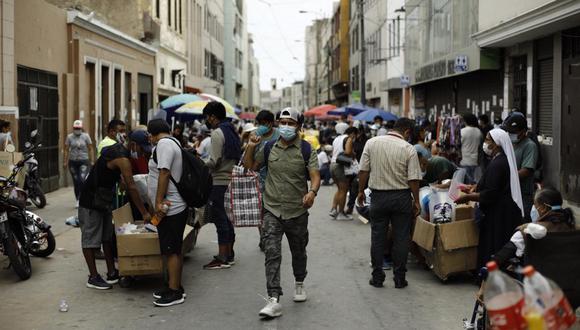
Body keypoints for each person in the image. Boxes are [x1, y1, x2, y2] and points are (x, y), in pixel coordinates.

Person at [245, 107, 320, 319]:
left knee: (298, 251)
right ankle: (273, 298)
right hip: (272, 209)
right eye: (283, 122)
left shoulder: (306, 149)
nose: (286, 126)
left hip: (297, 210)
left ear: (298, 126)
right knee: (272, 252)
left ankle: (299, 282)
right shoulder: (269, 147)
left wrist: (312, 192)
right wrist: (250, 146)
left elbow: (315, 176)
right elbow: (251, 166)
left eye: (291, 123)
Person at [357, 118, 422, 289]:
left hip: (378, 197)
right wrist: (416, 200)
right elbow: (413, 179)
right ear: (407, 132)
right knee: (401, 238)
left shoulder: (371, 143)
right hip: (401, 197)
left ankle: (377, 277)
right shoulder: (408, 148)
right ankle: (400, 278)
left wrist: (360, 191)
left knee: (378, 237)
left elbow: (363, 170)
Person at [78, 142, 151, 290]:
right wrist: (144, 212)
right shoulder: (122, 158)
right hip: (91, 200)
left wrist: (121, 180)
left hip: (103, 199)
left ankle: (112, 272)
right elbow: (131, 186)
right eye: (141, 150)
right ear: (134, 145)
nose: (142, 154)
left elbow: (118, 178)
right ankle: (93, 277)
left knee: (107, 237)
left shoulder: (120, 153)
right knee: (90, 239)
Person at [455, 128, 524, 268]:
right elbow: (490, 185)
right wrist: (474, 187)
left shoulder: (498, 164)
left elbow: (491, 193)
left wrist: (468, 197)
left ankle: (489, 277)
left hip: (498, 212)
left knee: (494, 244)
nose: (485, 143)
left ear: (496, 144)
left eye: (487, 140)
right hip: (500, 209)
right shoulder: (498, 161)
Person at [146, 119, 188, 307]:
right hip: (172, 206)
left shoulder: (163, 144)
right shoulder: (172, 142)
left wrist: (158, 201)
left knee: (171, 251)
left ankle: (175, 292)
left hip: (171, 207)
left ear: (153, 133)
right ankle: (173, 285)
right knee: (172, 249)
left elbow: (164, 173)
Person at [492, 187, 576, 267]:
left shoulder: (526, 232)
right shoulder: (572, 228)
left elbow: (500, 258)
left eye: (535, 205)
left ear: (543, 208)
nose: (533, 208)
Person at [203, 101, 241, 269]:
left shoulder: (217, 133)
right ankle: (230, 254)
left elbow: (214, 161)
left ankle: (222, 257)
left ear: (213, 116)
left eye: (207, 117)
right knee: (228, 219)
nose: (207, 120)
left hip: (219, 182)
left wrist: (199, 162)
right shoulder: (232, 130)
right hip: (230, 180)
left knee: (220, 220)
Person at [503, 113, 539, 221]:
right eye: (509, 132)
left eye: (514, 132)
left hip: (523, 193)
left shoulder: (529, 146)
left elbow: (526, 171)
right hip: (509, 191)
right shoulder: (509, 144)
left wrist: (505, 177)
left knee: (522, 221)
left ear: (524, 131)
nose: (511, 134)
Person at [64, 120, 95, 207]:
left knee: (82, 179)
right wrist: (65, 161)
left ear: (81, 128)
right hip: (73, 162)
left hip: (84, 161)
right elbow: (66, 149)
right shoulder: (69, 137)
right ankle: (78, 198)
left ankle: (83, 196)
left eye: (78, 128)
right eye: (75, 128)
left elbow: (90, 148)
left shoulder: (86, 136)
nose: (77, 130)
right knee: (76, 181)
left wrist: (92, 160)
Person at [329, 127, 357, 220]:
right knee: (344, 190)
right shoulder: (348, 139)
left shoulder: (337, 139)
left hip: (332, 164)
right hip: (340, 166)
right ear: (352, 133)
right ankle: (341, 213)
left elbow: (333, 152)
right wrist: (353, 154)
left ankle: (333, 209)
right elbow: (348, 151)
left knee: (339, 189)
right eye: (355, 135)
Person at [460, 114, 483, 184]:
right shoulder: (479, 132)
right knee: (473, 180)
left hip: (464, 160)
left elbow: (458, 145)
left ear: (466, 121)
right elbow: (480, 147)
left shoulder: (462, 131)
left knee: (465, 181)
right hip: (474, 160)